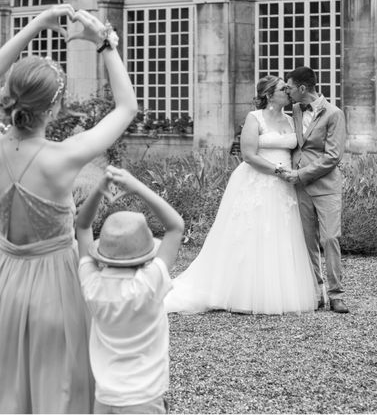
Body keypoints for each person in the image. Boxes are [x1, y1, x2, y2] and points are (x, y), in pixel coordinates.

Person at [0, 5, 138, 413]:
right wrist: (105, 42)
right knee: (60, 385)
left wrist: (35, 25)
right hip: (56, 285)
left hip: (6, 280)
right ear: (54, 108)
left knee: (11, 383)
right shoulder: (63, 157)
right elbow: (126, 108)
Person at [164, 75, 317, 314]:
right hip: (258, 180)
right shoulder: (254, 118)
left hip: (285, 185)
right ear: (269, 94)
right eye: (283, 89)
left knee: (280, 236)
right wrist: (278, 170)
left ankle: (275, 293)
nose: (288, 92)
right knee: (250, 234)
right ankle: (239, 293)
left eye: (288, 89)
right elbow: (249, 155)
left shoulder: (291, 119)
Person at [76, 166, 183, 414]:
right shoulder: (149, 284)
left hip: (104, 399)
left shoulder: (93, 285)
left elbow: (82, 227)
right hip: (144, 399)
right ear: (145, 253)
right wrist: (136, 186)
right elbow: (176, 226)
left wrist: (98, 190)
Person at [280, 66, 348, 313]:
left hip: (326, 186)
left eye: (289, 87)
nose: (287, 92)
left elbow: (333, 157)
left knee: (330, 238)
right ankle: (316, 293)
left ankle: (337, 294)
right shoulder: (295, 110)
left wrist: (299, 174)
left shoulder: (334, 114)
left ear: (302, 88)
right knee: (307, 242)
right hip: (300, 188)